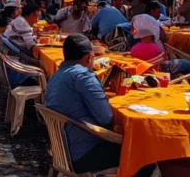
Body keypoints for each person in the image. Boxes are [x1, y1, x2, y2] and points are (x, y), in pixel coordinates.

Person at [44, 34, 153, 176]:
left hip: (61, 149)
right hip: (82, 153)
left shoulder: (56, 75)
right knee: (145, 157)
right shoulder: (83, 76)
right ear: (89, 57)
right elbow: (105, 119)